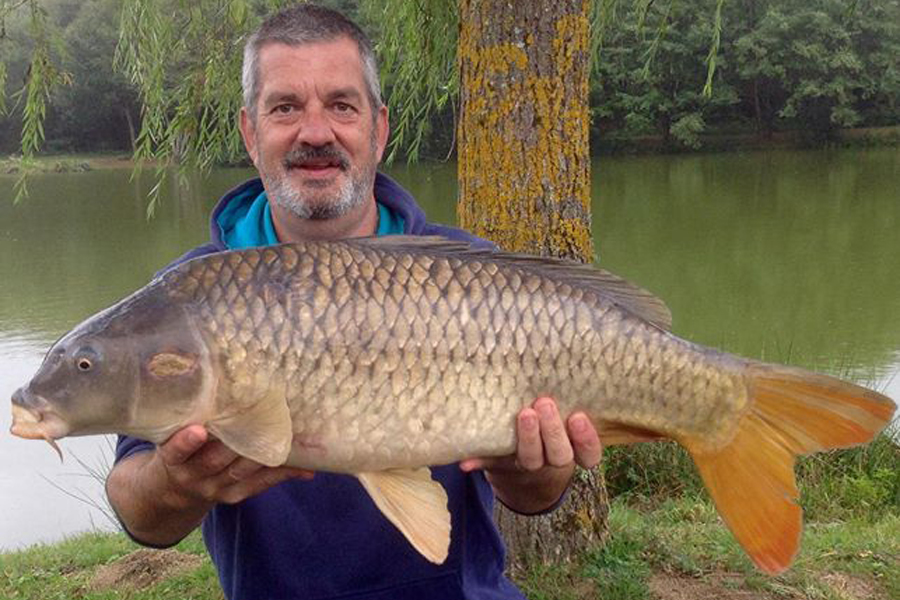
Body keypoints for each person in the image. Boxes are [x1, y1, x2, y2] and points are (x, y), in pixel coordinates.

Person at [106, 4, 602, 599]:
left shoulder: (473, 276)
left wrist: (538, 472)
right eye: (286, 107)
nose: (316, 132)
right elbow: (139, 511)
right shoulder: (189, 294)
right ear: (249, 130)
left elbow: (535, 496)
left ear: (379, 126)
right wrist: (174, 483)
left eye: (341, 105)